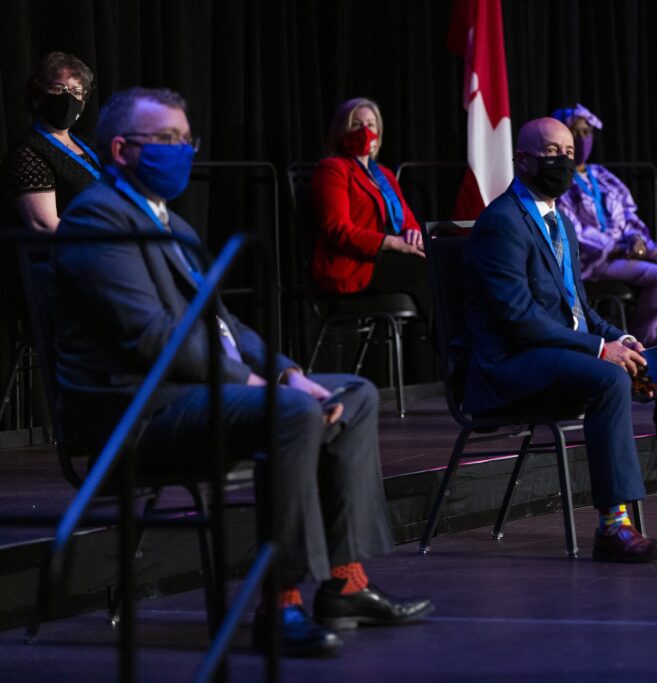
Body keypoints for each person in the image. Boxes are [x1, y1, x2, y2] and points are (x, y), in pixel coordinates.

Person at [51, 88, 432, 657]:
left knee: (353, 394)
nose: (182, 151)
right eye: (166, 140)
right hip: (136, 410)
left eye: (187, 140)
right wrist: (254, 385)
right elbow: (152, 337)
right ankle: (280, 603)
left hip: (196, 394)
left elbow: (226, 325)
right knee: (292, 412)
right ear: (122, 149)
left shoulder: (174, 225)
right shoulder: (98, 218)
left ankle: (345, 583)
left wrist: (286, 372)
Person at [463, 116, 657, 565]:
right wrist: (602, 351)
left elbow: (580, 309)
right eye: (551, 153)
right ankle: (613, 526)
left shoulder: (560, 221)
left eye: (568, 152)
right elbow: (518, 319)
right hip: (512, 363)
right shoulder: (502, 222)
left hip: (563, 354)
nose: (564, 161)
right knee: (610, 378)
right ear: (522, 160)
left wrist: (623, 339)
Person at [551, 104, 657, 361]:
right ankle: (647, 348)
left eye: (587, 132)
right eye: (576, 132)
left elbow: (628, 217)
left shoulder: (601, 175)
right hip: (595, 259)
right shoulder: (560, 180)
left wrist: (637, 241)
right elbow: (573, 231)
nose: (583, 138)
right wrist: (626, 250)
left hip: (627, 252)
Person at [311, 97, 427, 311]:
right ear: (341, 132)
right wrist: (393, 242)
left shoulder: (384, 175)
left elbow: (408, 221)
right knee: (427, 271)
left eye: (370, 125)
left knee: (441, 263)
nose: (365, 131)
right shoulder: (333, 169)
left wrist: (413, 233)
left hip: (386, 258)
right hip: (355, 265)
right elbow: (337, 229)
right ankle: (438, 333)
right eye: (356, 125)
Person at [5, 52, 101, 232]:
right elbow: (43, 224)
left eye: (76, 92)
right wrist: (104, 242)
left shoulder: (91, 147)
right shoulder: (27, 152)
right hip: (78, 246)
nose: (68, 98)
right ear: (37, 96)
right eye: (58, 89)